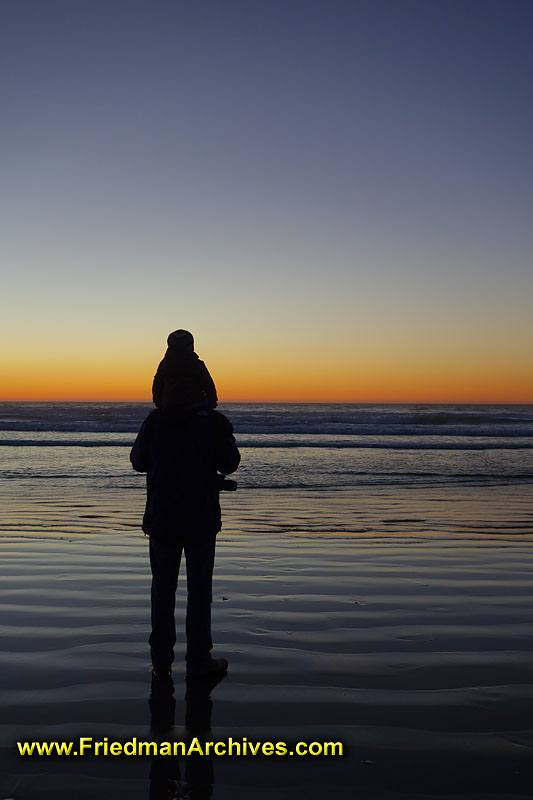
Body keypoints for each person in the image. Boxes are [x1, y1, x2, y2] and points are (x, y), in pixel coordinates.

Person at [130, 405, 240, 679]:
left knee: (162, 591)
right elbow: (230, 464)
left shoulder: (156, 420)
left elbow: (138, 461)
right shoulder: (214, 421)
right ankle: (199, 660)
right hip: (201, 518)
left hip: (162, 518)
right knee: (200, 592)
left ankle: (161, 661)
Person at [152, 329, 218, 412]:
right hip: (195, 404)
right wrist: (212, 400)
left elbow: (157, 383)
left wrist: (157, 401)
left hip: (169, 405)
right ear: (191, 346)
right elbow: (207, 383)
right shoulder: (197, 364)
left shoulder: (164, 364)